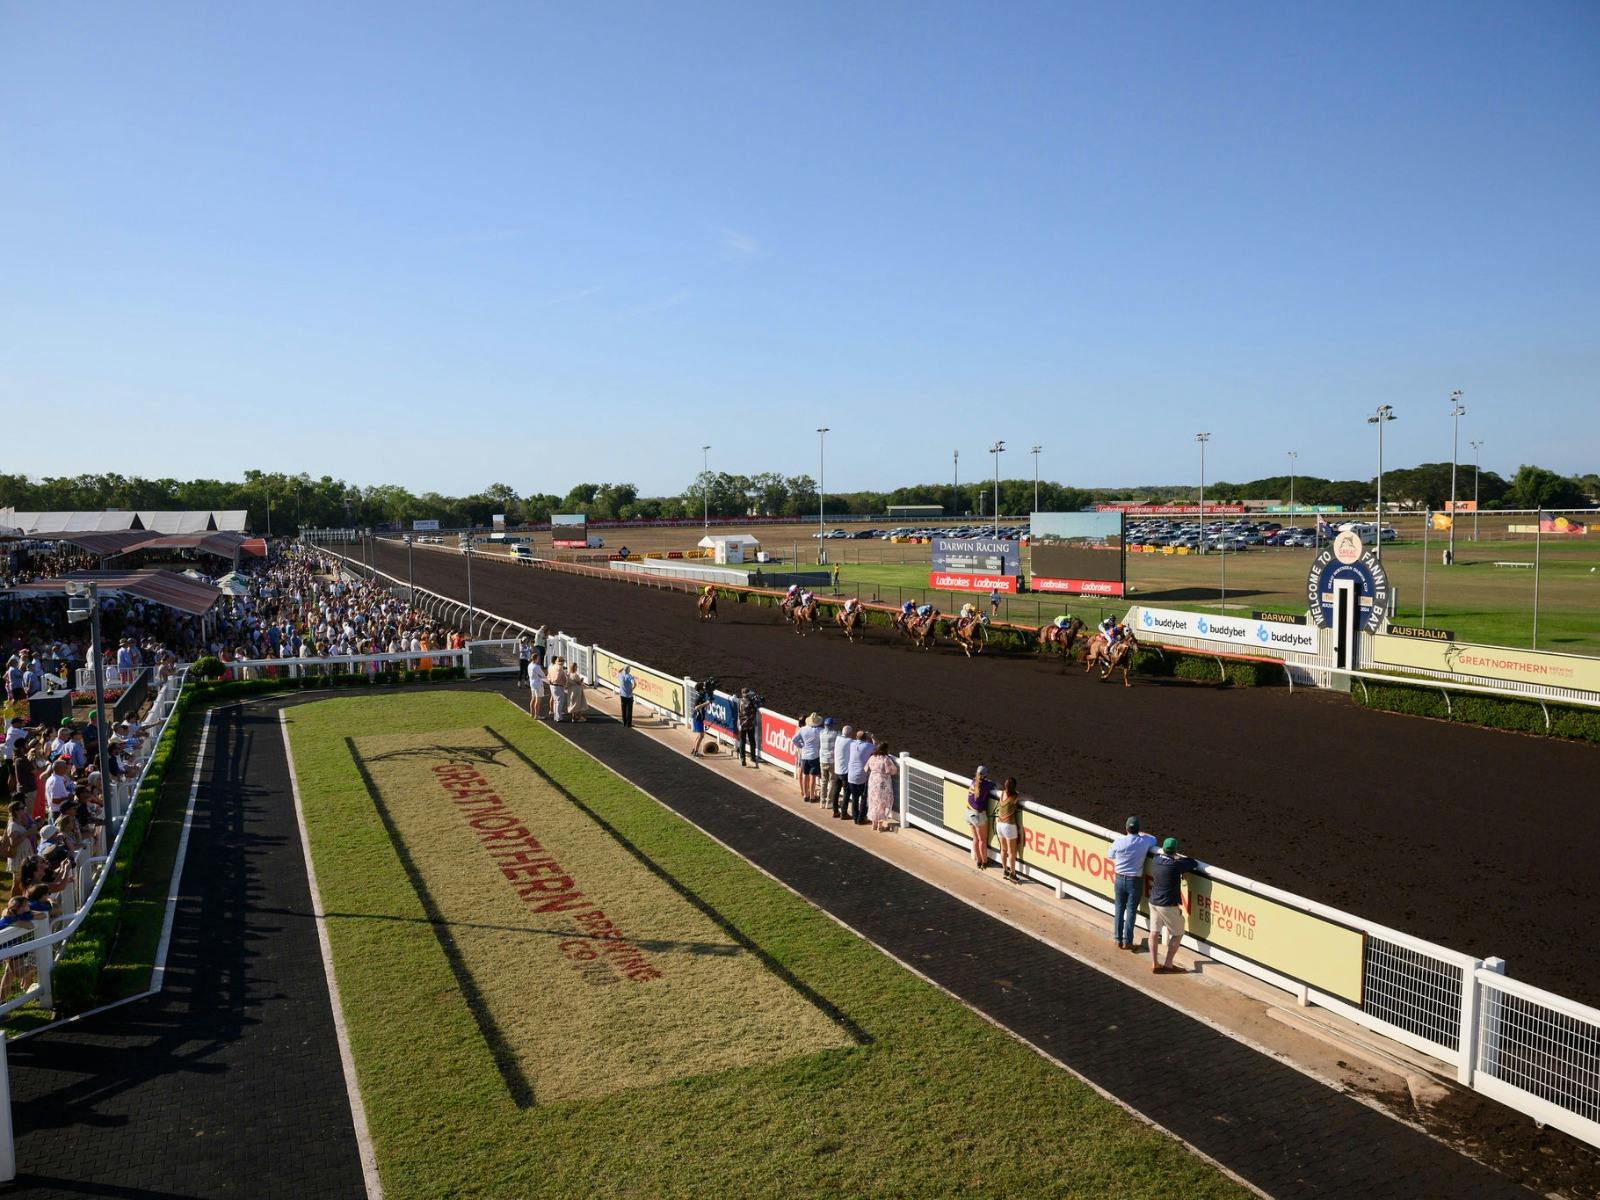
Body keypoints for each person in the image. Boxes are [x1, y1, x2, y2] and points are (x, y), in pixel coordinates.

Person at [1148, 836, 1201, 974]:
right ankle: (1168, 964)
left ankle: (1154, 964)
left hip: (1153, 901)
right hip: (1167, 905)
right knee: (1178, 933)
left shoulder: (1156, 860)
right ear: (1175, 850)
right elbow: (1192, 862)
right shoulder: (1175, 865)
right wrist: (1178, 858)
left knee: (1154, 933)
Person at [1107, 816, 1157, 950]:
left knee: (1119, 908)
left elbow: (1110, 855)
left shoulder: (1119, 841)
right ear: (1138, 829)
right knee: (1131, 910)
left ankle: (1117, 939)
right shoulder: (1144, 841)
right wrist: (1143, 834)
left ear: (1126, 828)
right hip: (1134, 881)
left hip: (1119, 879)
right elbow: (1154, 839)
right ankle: (1128, 941)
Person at [865, 741, 899, 831]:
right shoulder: (886, 759)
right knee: (882, 803)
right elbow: (893, 771)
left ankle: (874, 824)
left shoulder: (872, 757)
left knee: (873, 802)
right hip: (883, 783)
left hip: (872, 782)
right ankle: (880, 826)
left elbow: (866, 769)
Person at [965, 766, 993, 869]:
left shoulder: (973, 781)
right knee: (982, 840)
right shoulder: (985, 784)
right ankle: (984, 862)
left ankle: (978, 860)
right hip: (978, 814)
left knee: (975, 838)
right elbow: (996, 786)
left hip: (968, 812)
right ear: (985, 775)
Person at [995, 777, 1022, 879]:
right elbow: (1028, 797)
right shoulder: (1015, 796)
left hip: (999, 824)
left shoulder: (1002, 793)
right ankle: (1013, 873)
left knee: (1003, 849)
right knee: (1012, 852)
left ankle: (1005, 870)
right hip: (1009, 825)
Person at [846, 728, 873, 823]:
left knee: (854, 797)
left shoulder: (852, 744)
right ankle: (861, 818)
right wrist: (872, 738)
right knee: (864, 797)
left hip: (851, 775)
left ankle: (855, 817)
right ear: (865, 738)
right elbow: (877, 747)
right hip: (861, 776)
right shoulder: (868, 746)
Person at [795, 714, 822, 801]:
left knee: (805, 775)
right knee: (812, 776)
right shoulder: (820, 730)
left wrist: (801, 746)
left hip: (805, 755)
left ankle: (805, 795)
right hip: (814, 755)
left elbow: (794, 739)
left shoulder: (803, 729)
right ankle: (812, 796)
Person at [830, 724, 853, 817]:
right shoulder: (850, 741)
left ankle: (835, 811)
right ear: (850, 733)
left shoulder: (838, 739)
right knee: (847, 792)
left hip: (837, 770)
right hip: (845, 772)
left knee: (836, 791)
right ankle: (844, 812)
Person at [736, 689, 759, 767]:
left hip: (742, 724)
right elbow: (758, 705)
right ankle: (752, 757)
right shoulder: (752, 702)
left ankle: (743, 759)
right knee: (752, 741)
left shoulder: (739, 701)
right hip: (750, 724)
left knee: (742, 741)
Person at [818, 717, 837, 797]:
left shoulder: (821, 733)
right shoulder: (835, 734)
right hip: (831, 761)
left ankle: (822, 799)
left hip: (822, 760)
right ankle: (829, 800)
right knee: (832, 780)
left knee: (824, 780)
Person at [547, 657, 569, 722]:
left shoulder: (552, 666)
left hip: (552, 685)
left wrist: (551, 681)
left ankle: (556, 716)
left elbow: (548, 676)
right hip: (558, 686)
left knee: (556, 701)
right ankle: (558, 717)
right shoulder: (559, 668)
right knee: (559, 701)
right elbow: (557, 677)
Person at [689, 685, 709, 757]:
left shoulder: (700, 695)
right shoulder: (699, 697)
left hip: (697, 718)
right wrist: (706, 703)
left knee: (699, 736)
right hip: (698, 718)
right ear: (700, 690)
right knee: (701, 736)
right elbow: (696, 707)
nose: (704, 690)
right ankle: (696, 752)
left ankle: (694, 750)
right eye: (703, 688)